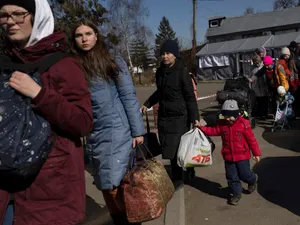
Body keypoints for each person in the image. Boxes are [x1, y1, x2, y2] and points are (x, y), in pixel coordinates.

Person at [0, 0, 93, 225]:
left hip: (49, 191)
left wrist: (40, 95)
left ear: (37, 15)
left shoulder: (63, 64)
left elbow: (83, 122)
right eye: (3, 15)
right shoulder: (3, 63)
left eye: (18, 14)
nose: (10, 22)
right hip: (5, 188)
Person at [71, 20, 145, 225]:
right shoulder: (74, 64)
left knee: (114, 182)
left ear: (96, 35)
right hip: (93, 132)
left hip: (117, 129)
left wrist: (138, 132)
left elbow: (128, 95)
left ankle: (132, 219)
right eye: (79, 35)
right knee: (105, 183)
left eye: (88, 33)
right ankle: (120, 220)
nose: (84, 39)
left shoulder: (111, 59)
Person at [141, 40, 199, 188]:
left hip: (179, 117)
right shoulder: (160, 72)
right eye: (162, 54)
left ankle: (181, 176)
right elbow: (160, 92)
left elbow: (190, 97)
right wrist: (147, 103)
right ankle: (180, 173)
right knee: (168, 147)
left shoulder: (182, 72)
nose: (165, 56)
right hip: (164, 116)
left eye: (168, 53)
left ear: (175, 55)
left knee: (179, 148)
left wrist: (195, 118)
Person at [199, 100, 261, 205]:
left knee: (244, 174)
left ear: (236, 115)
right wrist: (201, 128)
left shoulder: (243, 124)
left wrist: (256, 153)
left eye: (230, 116)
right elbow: (214, 131)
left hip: (242, 156)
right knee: (231, 176)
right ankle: (236, 193)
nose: (227, 119)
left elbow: (252, 140)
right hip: (228, 156)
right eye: (225, 116)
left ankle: (252, 179)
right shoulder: (222, 124)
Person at [249, 55, 269, 120]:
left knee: (265, 103)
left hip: (264, 88)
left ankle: (264, 115)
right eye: (255, 63)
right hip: (256, 89)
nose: (257, 64)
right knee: (258, 103)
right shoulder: (252, 69)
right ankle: (259, 114)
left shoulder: (263, 68)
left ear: (260, 61)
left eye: (258, 63)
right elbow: (250, 78)